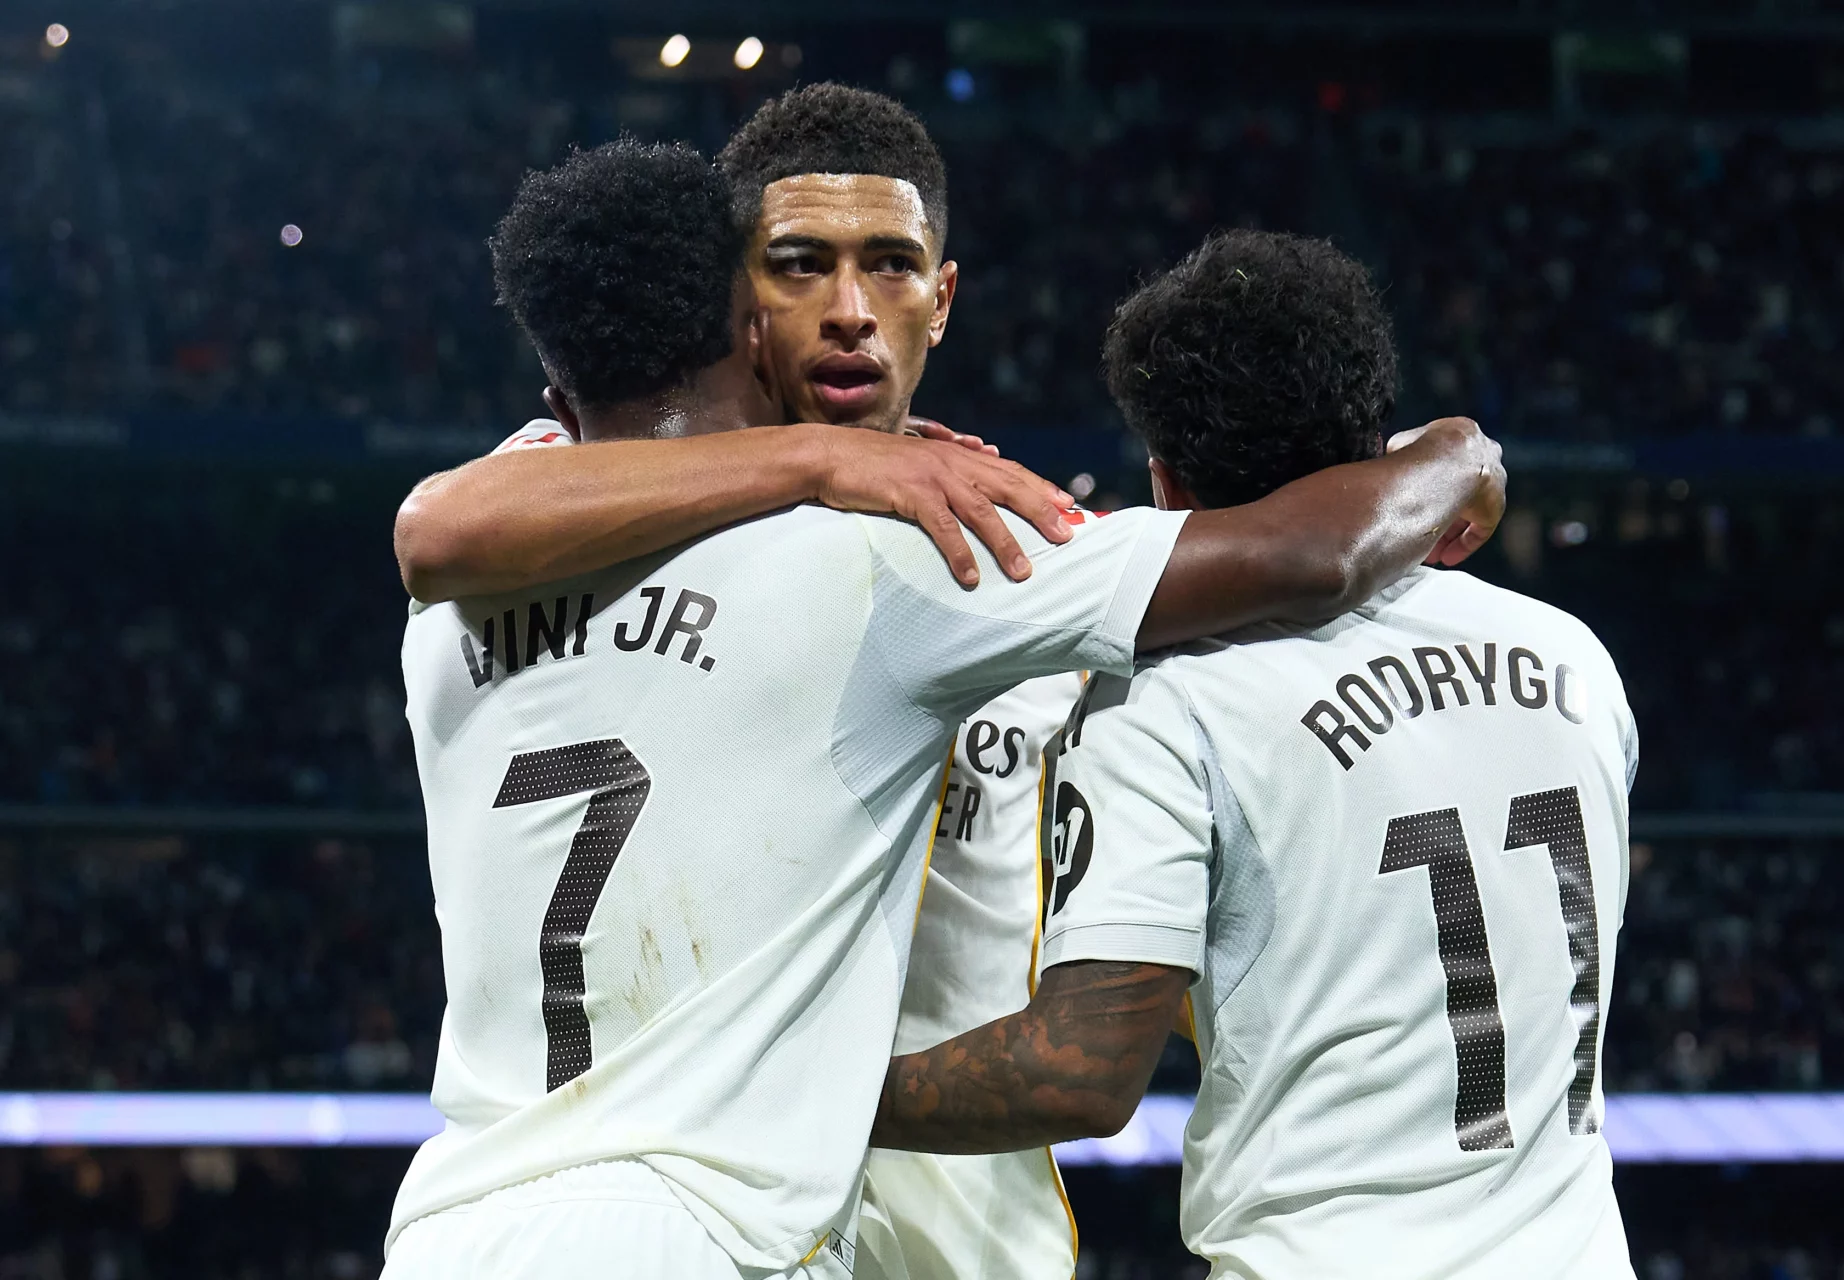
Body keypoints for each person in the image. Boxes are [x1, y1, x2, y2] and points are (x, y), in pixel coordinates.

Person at [390, 86, 1503, 1280]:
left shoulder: (993, 537)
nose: (851, 312)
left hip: (934, 1239)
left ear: (943, 298)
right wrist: (1458, 453)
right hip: (728, 1200)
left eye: (890, 267)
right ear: (736, 304)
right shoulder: (638, 504)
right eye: (799, 266)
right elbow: (436, 522)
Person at [870, 231, 1637, 1280]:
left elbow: (1081, 1071)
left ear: (1162, 478)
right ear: (1377, 436)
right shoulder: (1573, 659)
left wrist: (817, 1088)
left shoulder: (1164, 700)